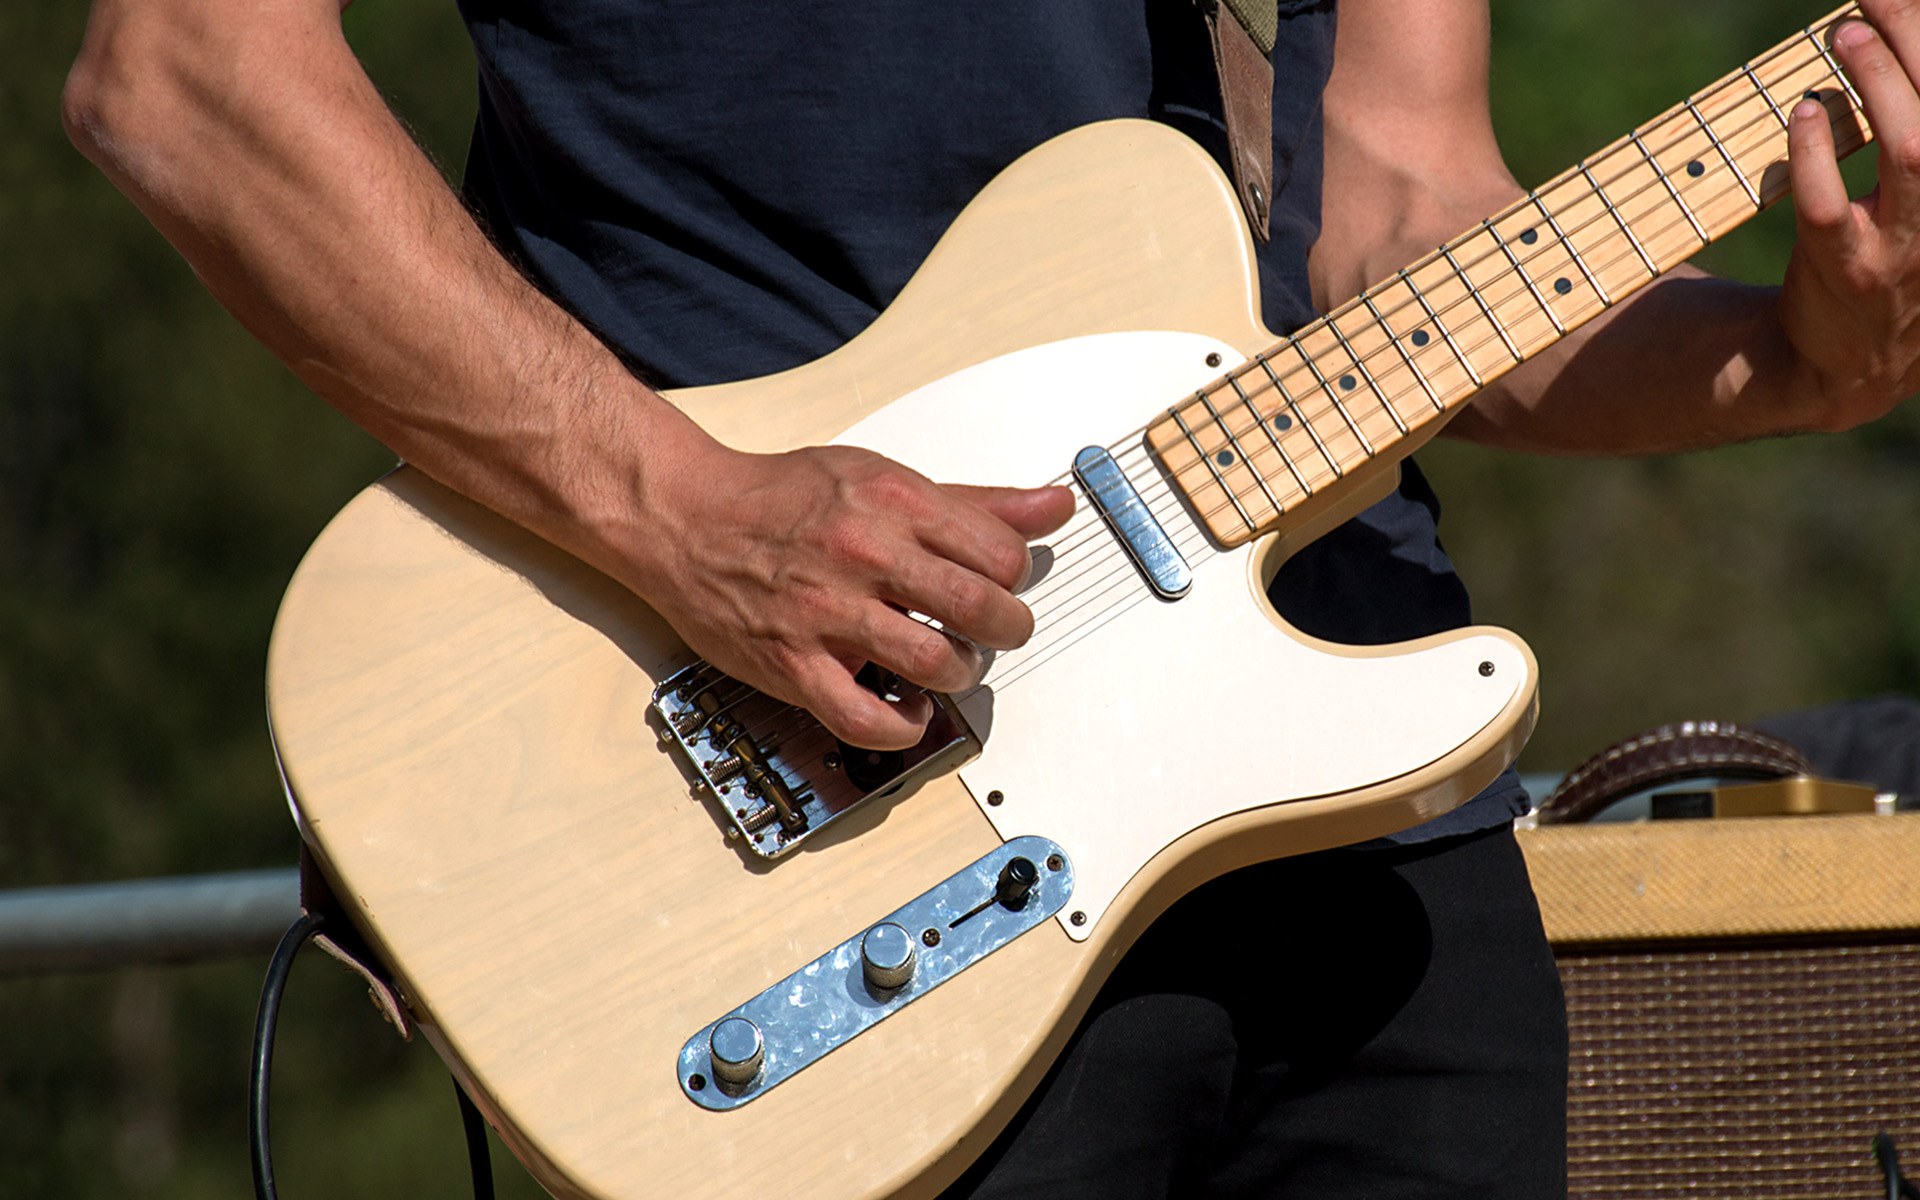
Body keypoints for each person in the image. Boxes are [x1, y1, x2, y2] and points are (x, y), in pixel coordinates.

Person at [59, 0, 1920, 1194]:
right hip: (828, 808)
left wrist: (1792, 361)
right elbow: (188, 77)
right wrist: (687, 512)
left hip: (1368, 841)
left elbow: (1398, 215)